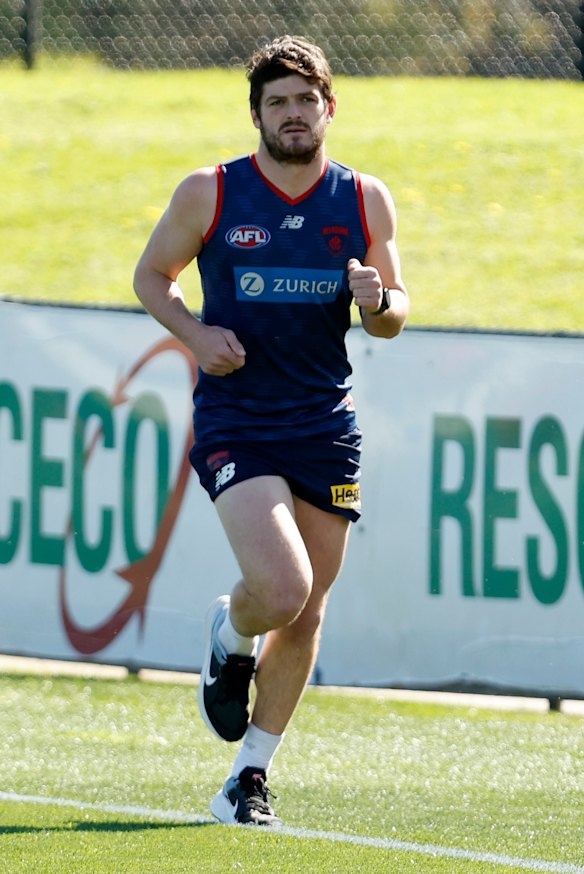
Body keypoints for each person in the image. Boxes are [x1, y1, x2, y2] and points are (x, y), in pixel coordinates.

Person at [133, 34, 409, 827]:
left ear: (330, 107)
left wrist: (375, 300)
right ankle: (231, 629)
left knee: (311, 608)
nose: (293, 114)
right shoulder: (211, 191)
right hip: (239, 422)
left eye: (305, 100)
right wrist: (193, 333)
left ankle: (246, 778)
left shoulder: (364, 200)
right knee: (282, 591)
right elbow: (151, 275)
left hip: (327, 426)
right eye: (277, 102)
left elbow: (395, 314)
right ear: (257, 113)